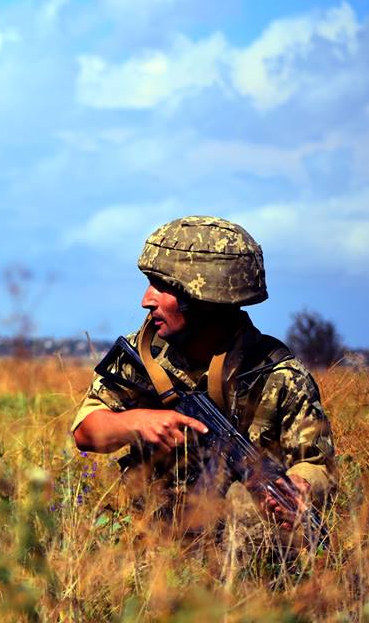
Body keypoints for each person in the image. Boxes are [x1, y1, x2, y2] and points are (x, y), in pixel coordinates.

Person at [72, 216, 336, 544]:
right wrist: (138, 422)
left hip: (240, 556)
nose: (146, 299)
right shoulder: (144, 358)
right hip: (147, 546)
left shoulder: (280, 377)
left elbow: (318, 464)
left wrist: (299, 487)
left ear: (203, 298)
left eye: (163, 286)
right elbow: (86, 433)